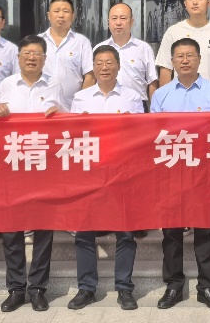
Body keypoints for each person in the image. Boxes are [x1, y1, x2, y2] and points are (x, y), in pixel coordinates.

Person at [150, 37, 210, 310]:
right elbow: (153, 136)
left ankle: (207, 287)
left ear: (199, 59)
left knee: (206, 231)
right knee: (171, 233)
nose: (185, 60)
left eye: (190, 55)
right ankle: (173, 285)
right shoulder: (161, 95)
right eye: (180, 56)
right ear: (172, 61)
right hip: (171, 172)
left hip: (205, 174)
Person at [68, 46, 145, 311]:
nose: (104, 67)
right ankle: (86, 288)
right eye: (99, 63)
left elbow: (141, 137)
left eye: (109, 62)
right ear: (93, 67)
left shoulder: (132, 97)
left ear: (118, 66)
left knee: (125, 233)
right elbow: (71, 137)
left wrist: (129, 125)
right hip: (89, 173)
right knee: (84, 234)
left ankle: (124, 288)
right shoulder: (80, 98)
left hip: (122, 173)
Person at [0, 35, 62, 312]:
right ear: (18, 57)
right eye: (26, 53)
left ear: (44, 59)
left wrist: (59, 112)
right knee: (12, 230)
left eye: (37, 54)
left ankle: (38, 288)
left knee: (44, 230)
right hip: (13, 166)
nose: (31, 58)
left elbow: (66, 119)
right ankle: (16, 288)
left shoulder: (55, 84)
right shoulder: (6, 85)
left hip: (45, 167)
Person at [94, 2, 158, 106]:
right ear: (108, 22)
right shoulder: (99, 49)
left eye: (123, 18)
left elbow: (152, 82)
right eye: (114, 18)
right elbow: (92, 79)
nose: (118, 23)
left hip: (137, 104)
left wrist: (154, 109)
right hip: (106, 104)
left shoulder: (144, 48)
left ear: (131, 22)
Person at [40, 0, 93, 110]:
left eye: (65, 11)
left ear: (73, 16)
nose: (61, 15)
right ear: (49, 15)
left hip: (72, 107)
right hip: (40, 105)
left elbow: (90, 76)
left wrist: (81, 102)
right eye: (56, 11)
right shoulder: (38, 41)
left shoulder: (82, 42)